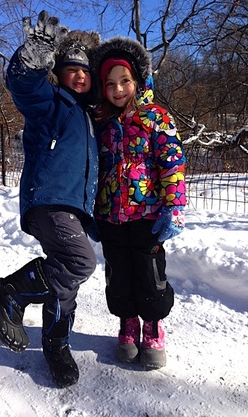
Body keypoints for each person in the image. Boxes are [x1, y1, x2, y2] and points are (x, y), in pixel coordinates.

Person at [0, 11, 100, 388]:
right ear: (58, 73)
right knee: (79, 262)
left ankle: (56, 343)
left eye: (85, 70)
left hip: (74, 207)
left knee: (66, 281)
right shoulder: (50, 101)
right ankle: (7, 292)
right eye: (70, 69)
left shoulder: (90, 117)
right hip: (47, 198)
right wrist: (31, 60)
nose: (79, 75)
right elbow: (24, 85)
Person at [92, 37, 186, 370]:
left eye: (125, 81)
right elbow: (91, 166)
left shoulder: (154, 117)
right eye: (110, 84)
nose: (118, 89)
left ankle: (152, 325)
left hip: (147, 214)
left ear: (137, 81)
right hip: (109, 215)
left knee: (148, 273)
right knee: (118, 273)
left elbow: (172, 161)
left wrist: (173, 206)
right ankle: (128, 322)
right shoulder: (100, 122)